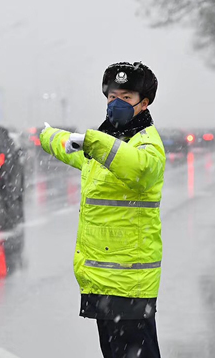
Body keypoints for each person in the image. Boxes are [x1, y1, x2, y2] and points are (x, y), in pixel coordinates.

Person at [40, 62, 165, 358]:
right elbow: (71, 147)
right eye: (112, 96)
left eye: (126, 97)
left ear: (143, 103)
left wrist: (94, 142)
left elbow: (138, 167)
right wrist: (48, 137)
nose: (116, 103)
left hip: (130, 285)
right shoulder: (106, 141)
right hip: (103, 284)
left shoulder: (146, 143)